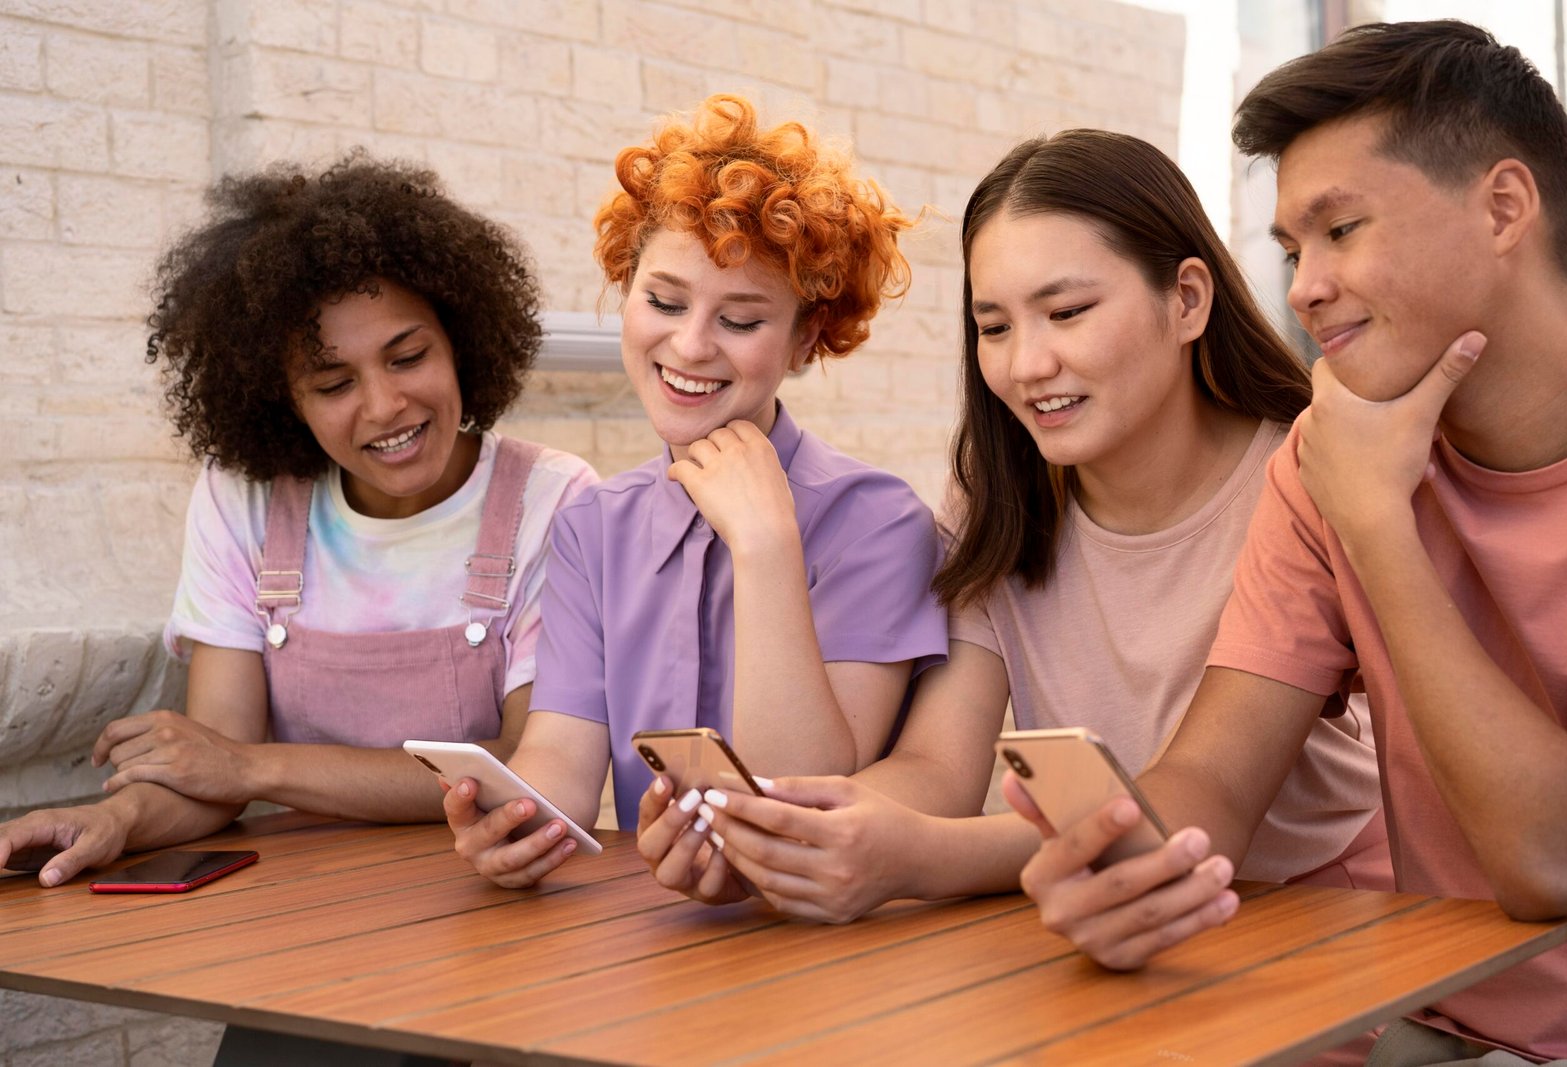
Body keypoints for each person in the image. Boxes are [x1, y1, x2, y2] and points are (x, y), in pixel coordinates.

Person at [1007, 21, 1567, 1064]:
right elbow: (1218, 778)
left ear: (1503, 207)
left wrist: (1377, 522)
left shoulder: (1350, 481)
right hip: (1440, 1023)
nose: (1303, 287)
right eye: (1290, 249)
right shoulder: (1325, 463)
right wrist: (1127, 853)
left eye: (1341, 229)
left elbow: (1557, 859)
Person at [644, 129, 1388, 919]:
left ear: (1188, 300)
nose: (1027, 364)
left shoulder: (1306, 478)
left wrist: (917, 856)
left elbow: (1206, 799)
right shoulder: (997, 494)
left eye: (1065, 311)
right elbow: (938, 765)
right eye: (994, 327)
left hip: (1315, 913)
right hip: (1091, 908)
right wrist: (781, 831)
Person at [0, 154, 596, 889]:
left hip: (486, 896)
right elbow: (208, 771)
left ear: (460, 342)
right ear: (283, 400)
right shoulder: (245, 499)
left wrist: (252, 766)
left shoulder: (553, 499)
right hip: (290, 910)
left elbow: (523, 766)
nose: (384, 406)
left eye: (407, 356)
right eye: (334, 383)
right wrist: (113, 821)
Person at [444, 94, 948, 890]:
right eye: (665, 301)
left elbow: (803, 791)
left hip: (825, 942)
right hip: (649, 939)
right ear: (626, 286)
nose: (688, 345)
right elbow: (562, 758)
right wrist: (513, 822)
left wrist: (765, 543)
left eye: (741, 320)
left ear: (806, 337)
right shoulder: (592, 526)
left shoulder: (876, 522)